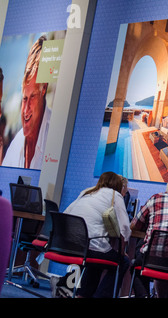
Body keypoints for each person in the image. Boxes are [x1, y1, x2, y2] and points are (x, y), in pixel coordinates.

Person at [62, 171, 131, 298]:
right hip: (89, 248)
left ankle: (82, 295)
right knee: (123, 261)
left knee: (99, 258)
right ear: (118, 186)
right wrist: (121, 251)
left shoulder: (87, 192)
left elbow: (65, 213)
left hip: (67, 245)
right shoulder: (114, 195)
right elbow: (125, 228)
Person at [2, 36, 51, 169]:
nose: (25, 110)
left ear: (44, 89)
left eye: (33, 96)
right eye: (24, 98)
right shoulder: (16, 144)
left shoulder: (54, 136)